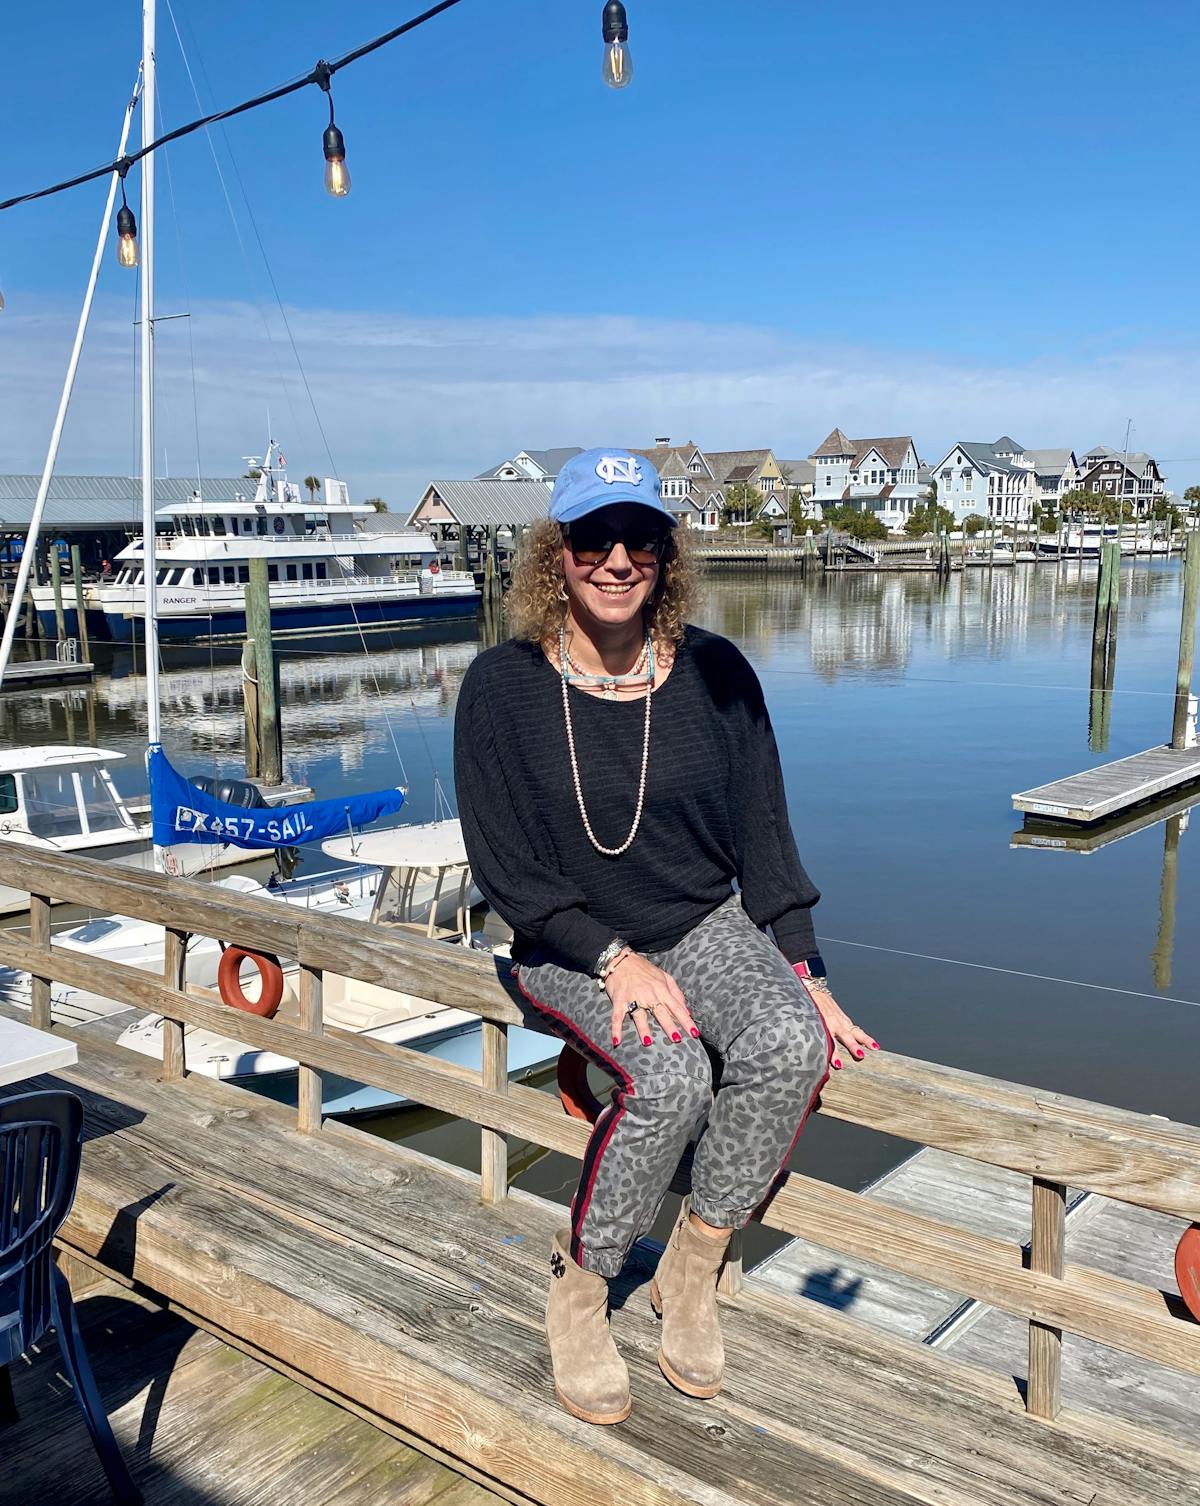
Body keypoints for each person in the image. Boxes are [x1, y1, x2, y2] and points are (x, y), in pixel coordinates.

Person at [453, 447, 879, 1427]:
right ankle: (581, 1287)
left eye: (638, 537)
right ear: (554, 555)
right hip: (563, 943)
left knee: (786, 1044)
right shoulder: (503, 687)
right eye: (591, 538)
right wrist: (614, 956)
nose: (615, 559)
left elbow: (768, 842)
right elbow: (506, 871)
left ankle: (691, 1272)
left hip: (698, 921)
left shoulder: (717, 673)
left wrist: (804, 969)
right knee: (674, 1076)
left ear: (666, 551)